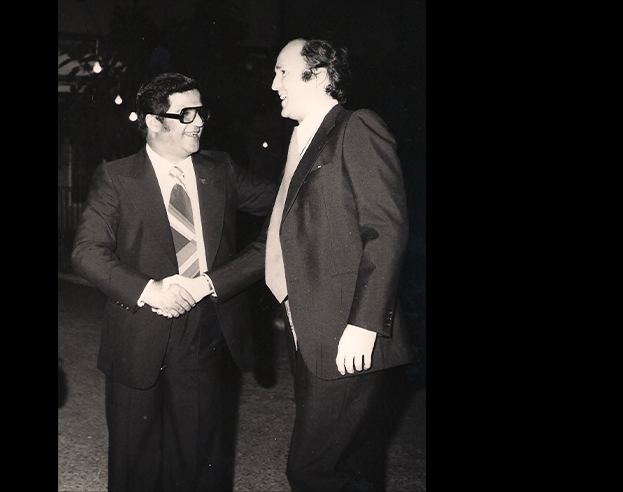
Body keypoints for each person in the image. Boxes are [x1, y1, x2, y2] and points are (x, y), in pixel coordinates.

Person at [71, 72, 277, 491]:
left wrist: (223, 278)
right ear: (153, 121)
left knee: (199, 460)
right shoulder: (116, 177)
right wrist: (150, 291)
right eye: (186, 114)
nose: (199, 121)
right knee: (134, 463)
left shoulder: (221, 170)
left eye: (201, 111)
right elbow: (86, 252)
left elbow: (286, 205)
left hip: (206, 331)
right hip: (137, 333)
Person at [265, 38, 413, 491]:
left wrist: (365, 324)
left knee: (313, 470)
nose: (274, 85)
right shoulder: (302, 140)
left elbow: (386, 229)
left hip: (348, 333)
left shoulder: (357, 127)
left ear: (319, 75)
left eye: (282, 72)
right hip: (312, 331)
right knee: (351, 466)